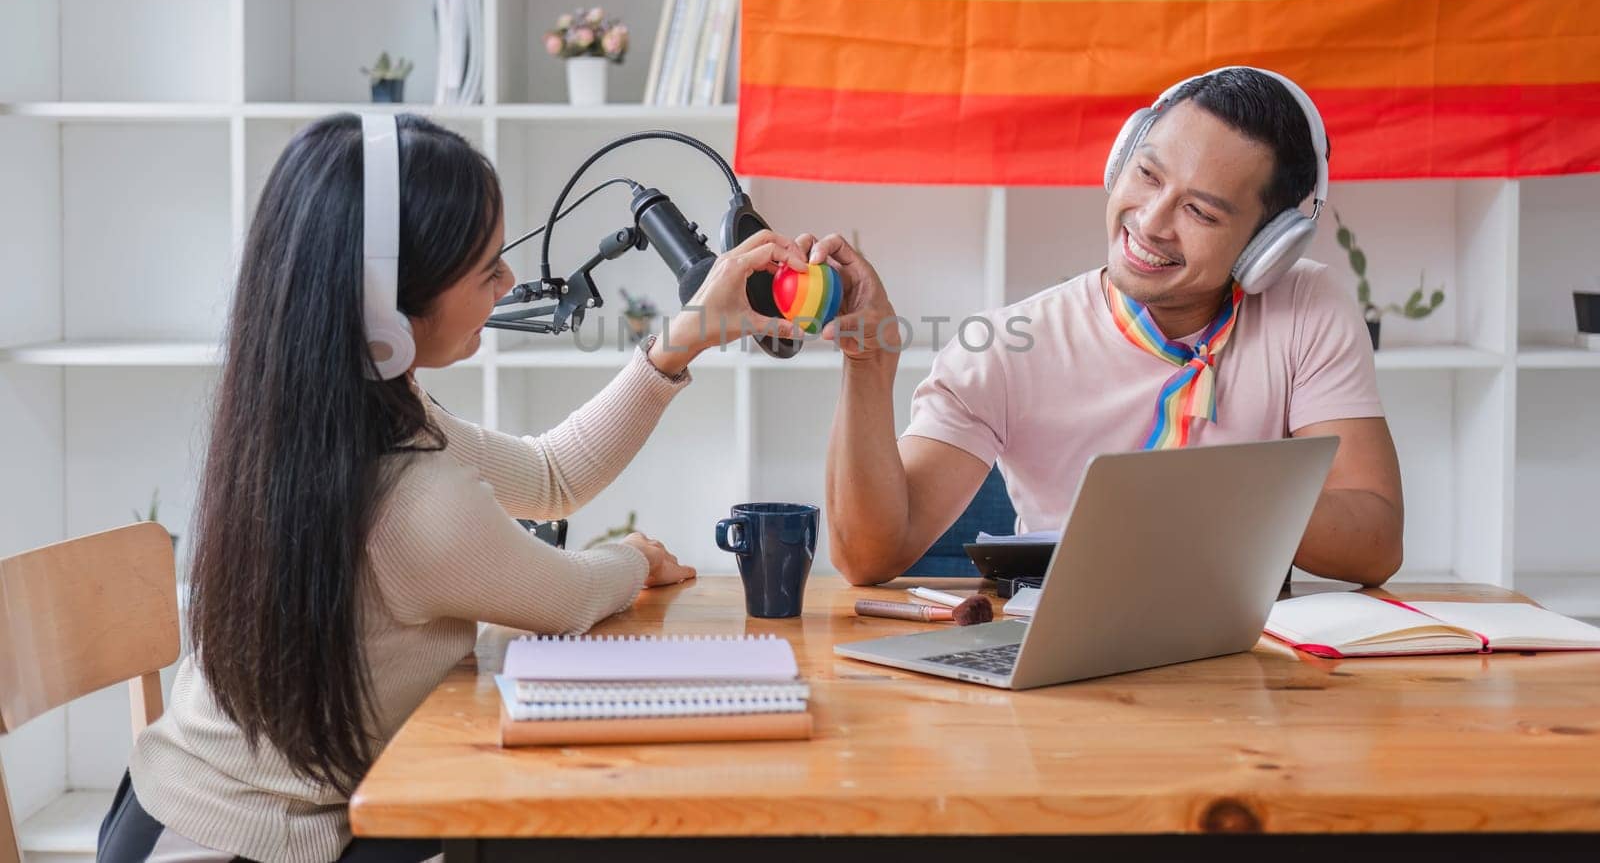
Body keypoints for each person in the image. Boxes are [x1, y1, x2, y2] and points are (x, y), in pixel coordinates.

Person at [97, 114, 808, 863]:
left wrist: (684, 337)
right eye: (486, 269)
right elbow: (568, 597)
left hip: (173, 810)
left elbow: (549, 475)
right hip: (229, 847)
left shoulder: (323, 414)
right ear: (387, 309)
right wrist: (633, 555)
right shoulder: (412, 502)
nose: (508, 282)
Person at [805, 67, 1404, 588]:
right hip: (1064, 661)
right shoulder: (1008, 347)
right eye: (1146, 175)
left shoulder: (1306, 305)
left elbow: (1376, 541)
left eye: (1199, 211)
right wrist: (867, 365)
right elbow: (867, 556)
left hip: (1243, 664)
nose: (1150, 222)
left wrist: (1215, 498)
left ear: (1267, 248)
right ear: (1120, 160)